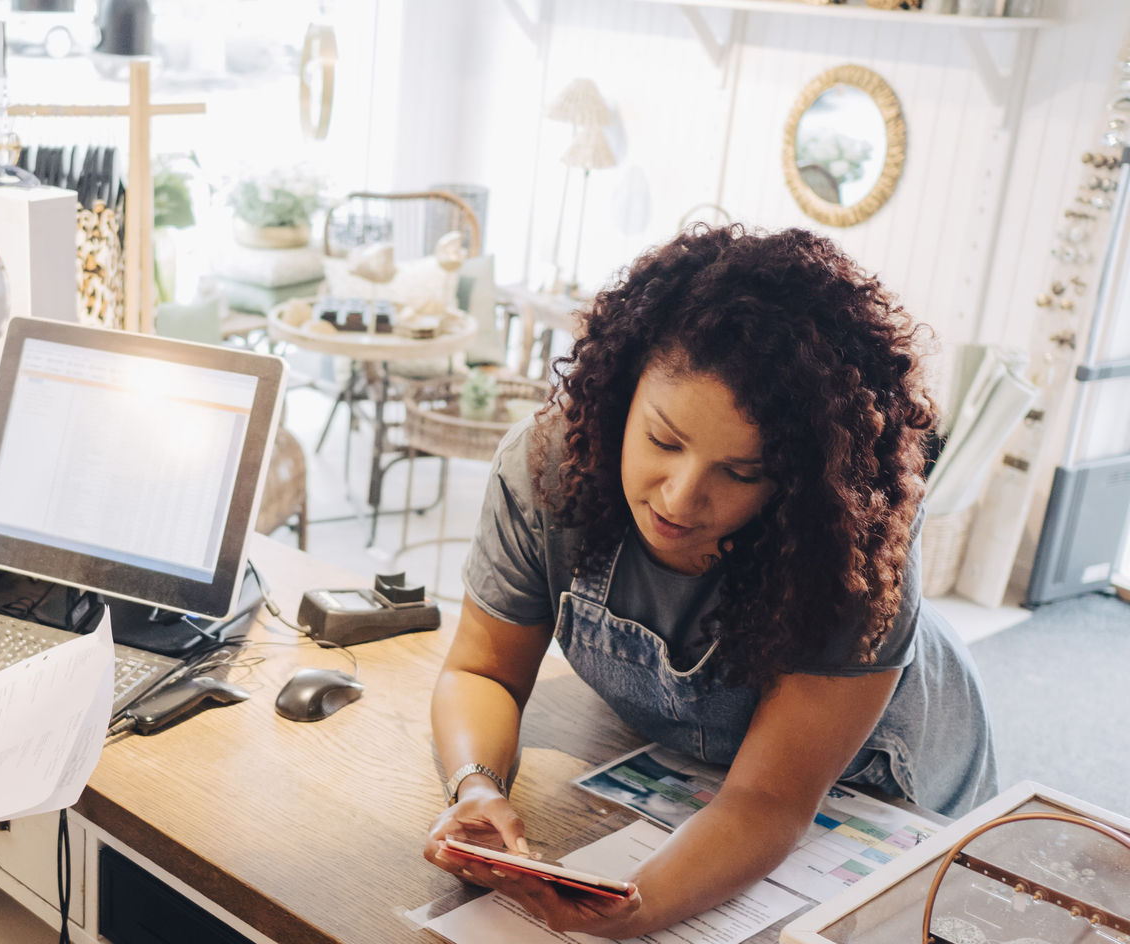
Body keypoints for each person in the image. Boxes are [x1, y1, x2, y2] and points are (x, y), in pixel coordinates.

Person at [425, 226, 997, 936]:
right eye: (663, 441)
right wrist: (475, 785)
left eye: (742, 472)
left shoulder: (846, 541)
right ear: (621, 394)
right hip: (703, 771)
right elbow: (482, 669)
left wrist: (636, 907)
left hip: (890, 786)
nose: (680, 498)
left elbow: (768, 800)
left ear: (795, 481)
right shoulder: (548, 466)